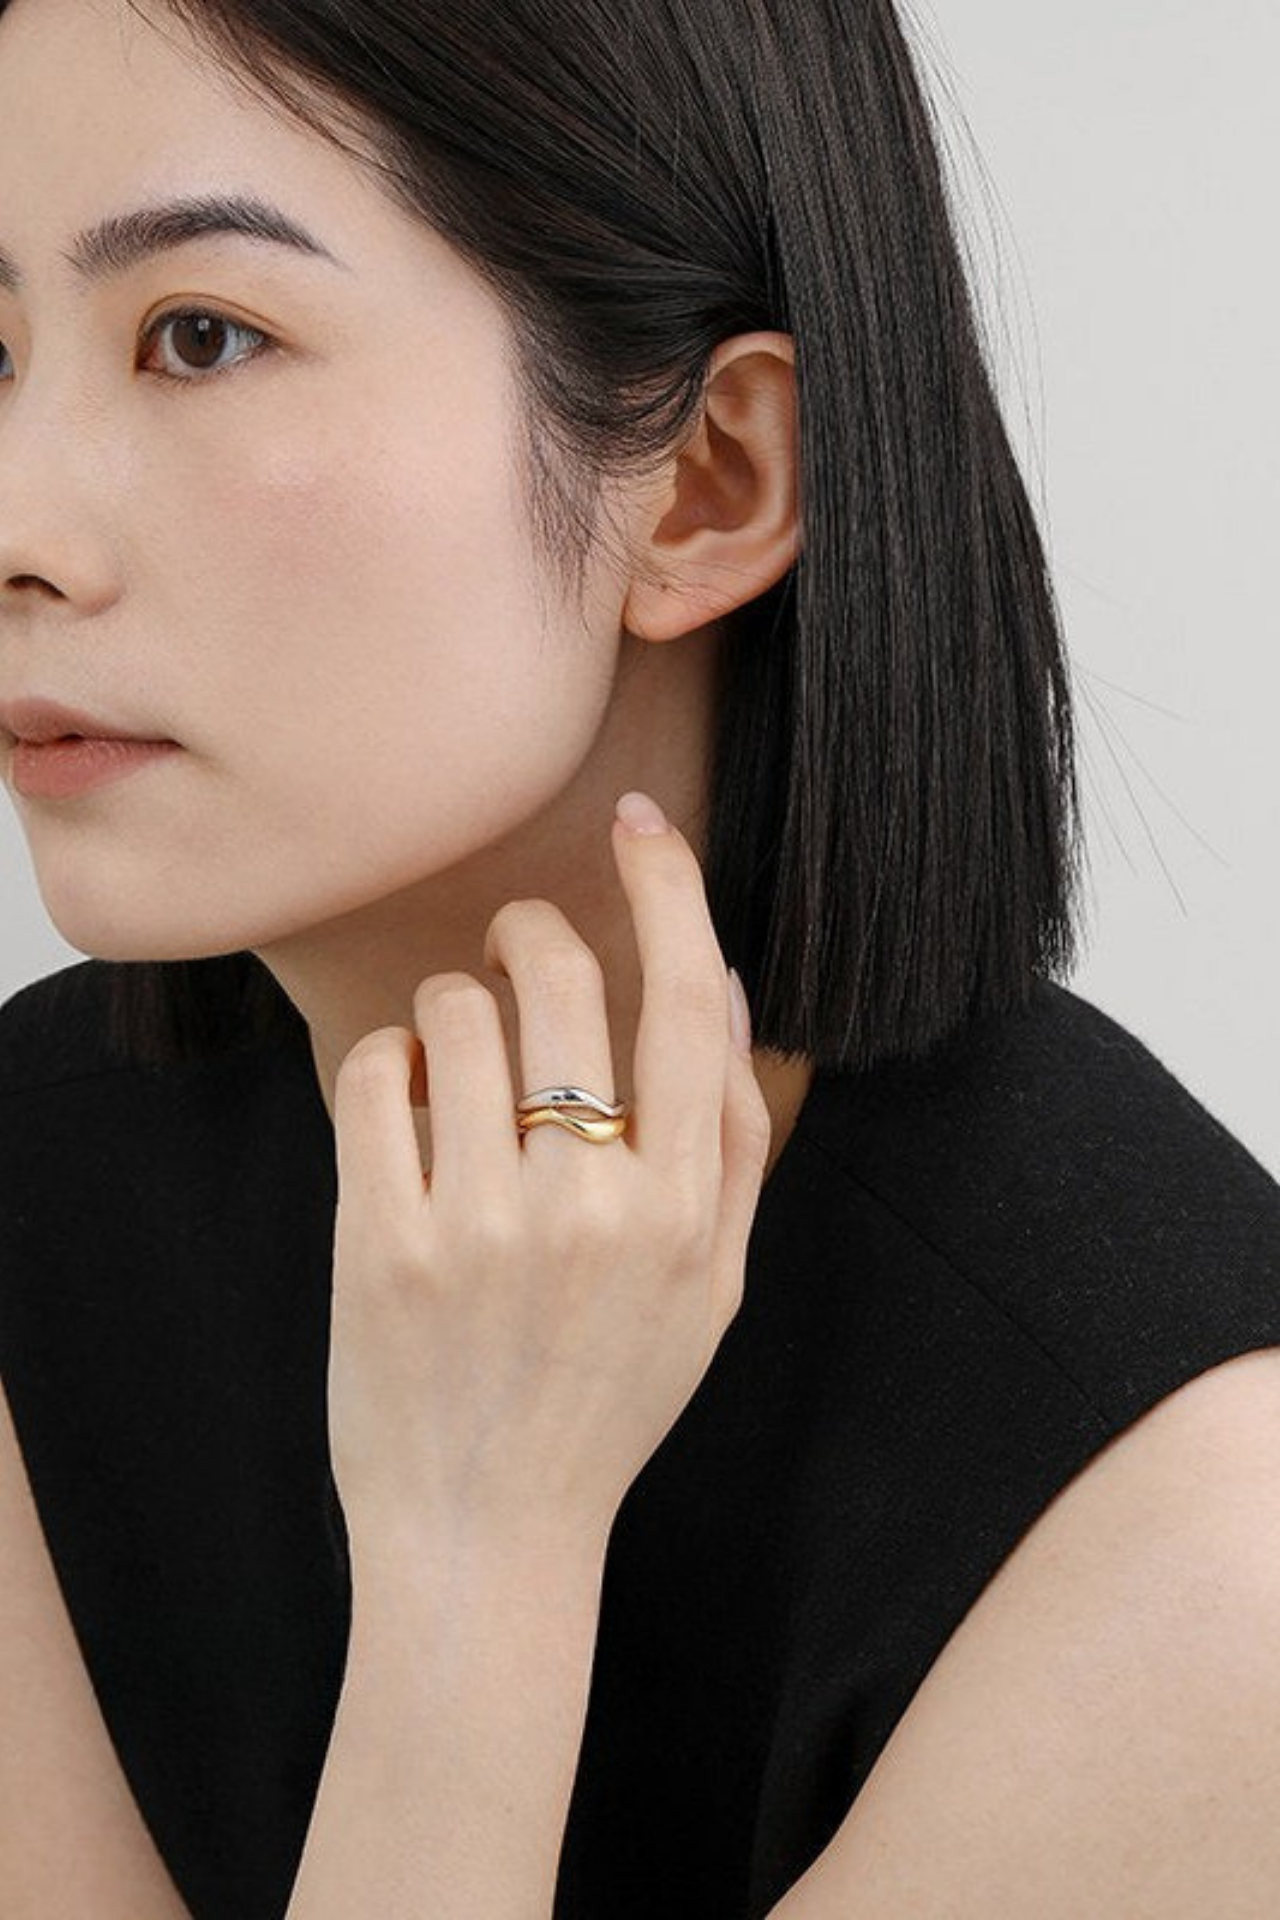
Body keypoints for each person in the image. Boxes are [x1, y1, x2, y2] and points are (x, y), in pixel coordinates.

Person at [2, 0, 1279, 1914]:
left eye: (202, 337)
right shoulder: (43, 1184)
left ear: (707, 484)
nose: (19, 522)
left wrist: (475, 1572)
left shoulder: (1198, 1542)